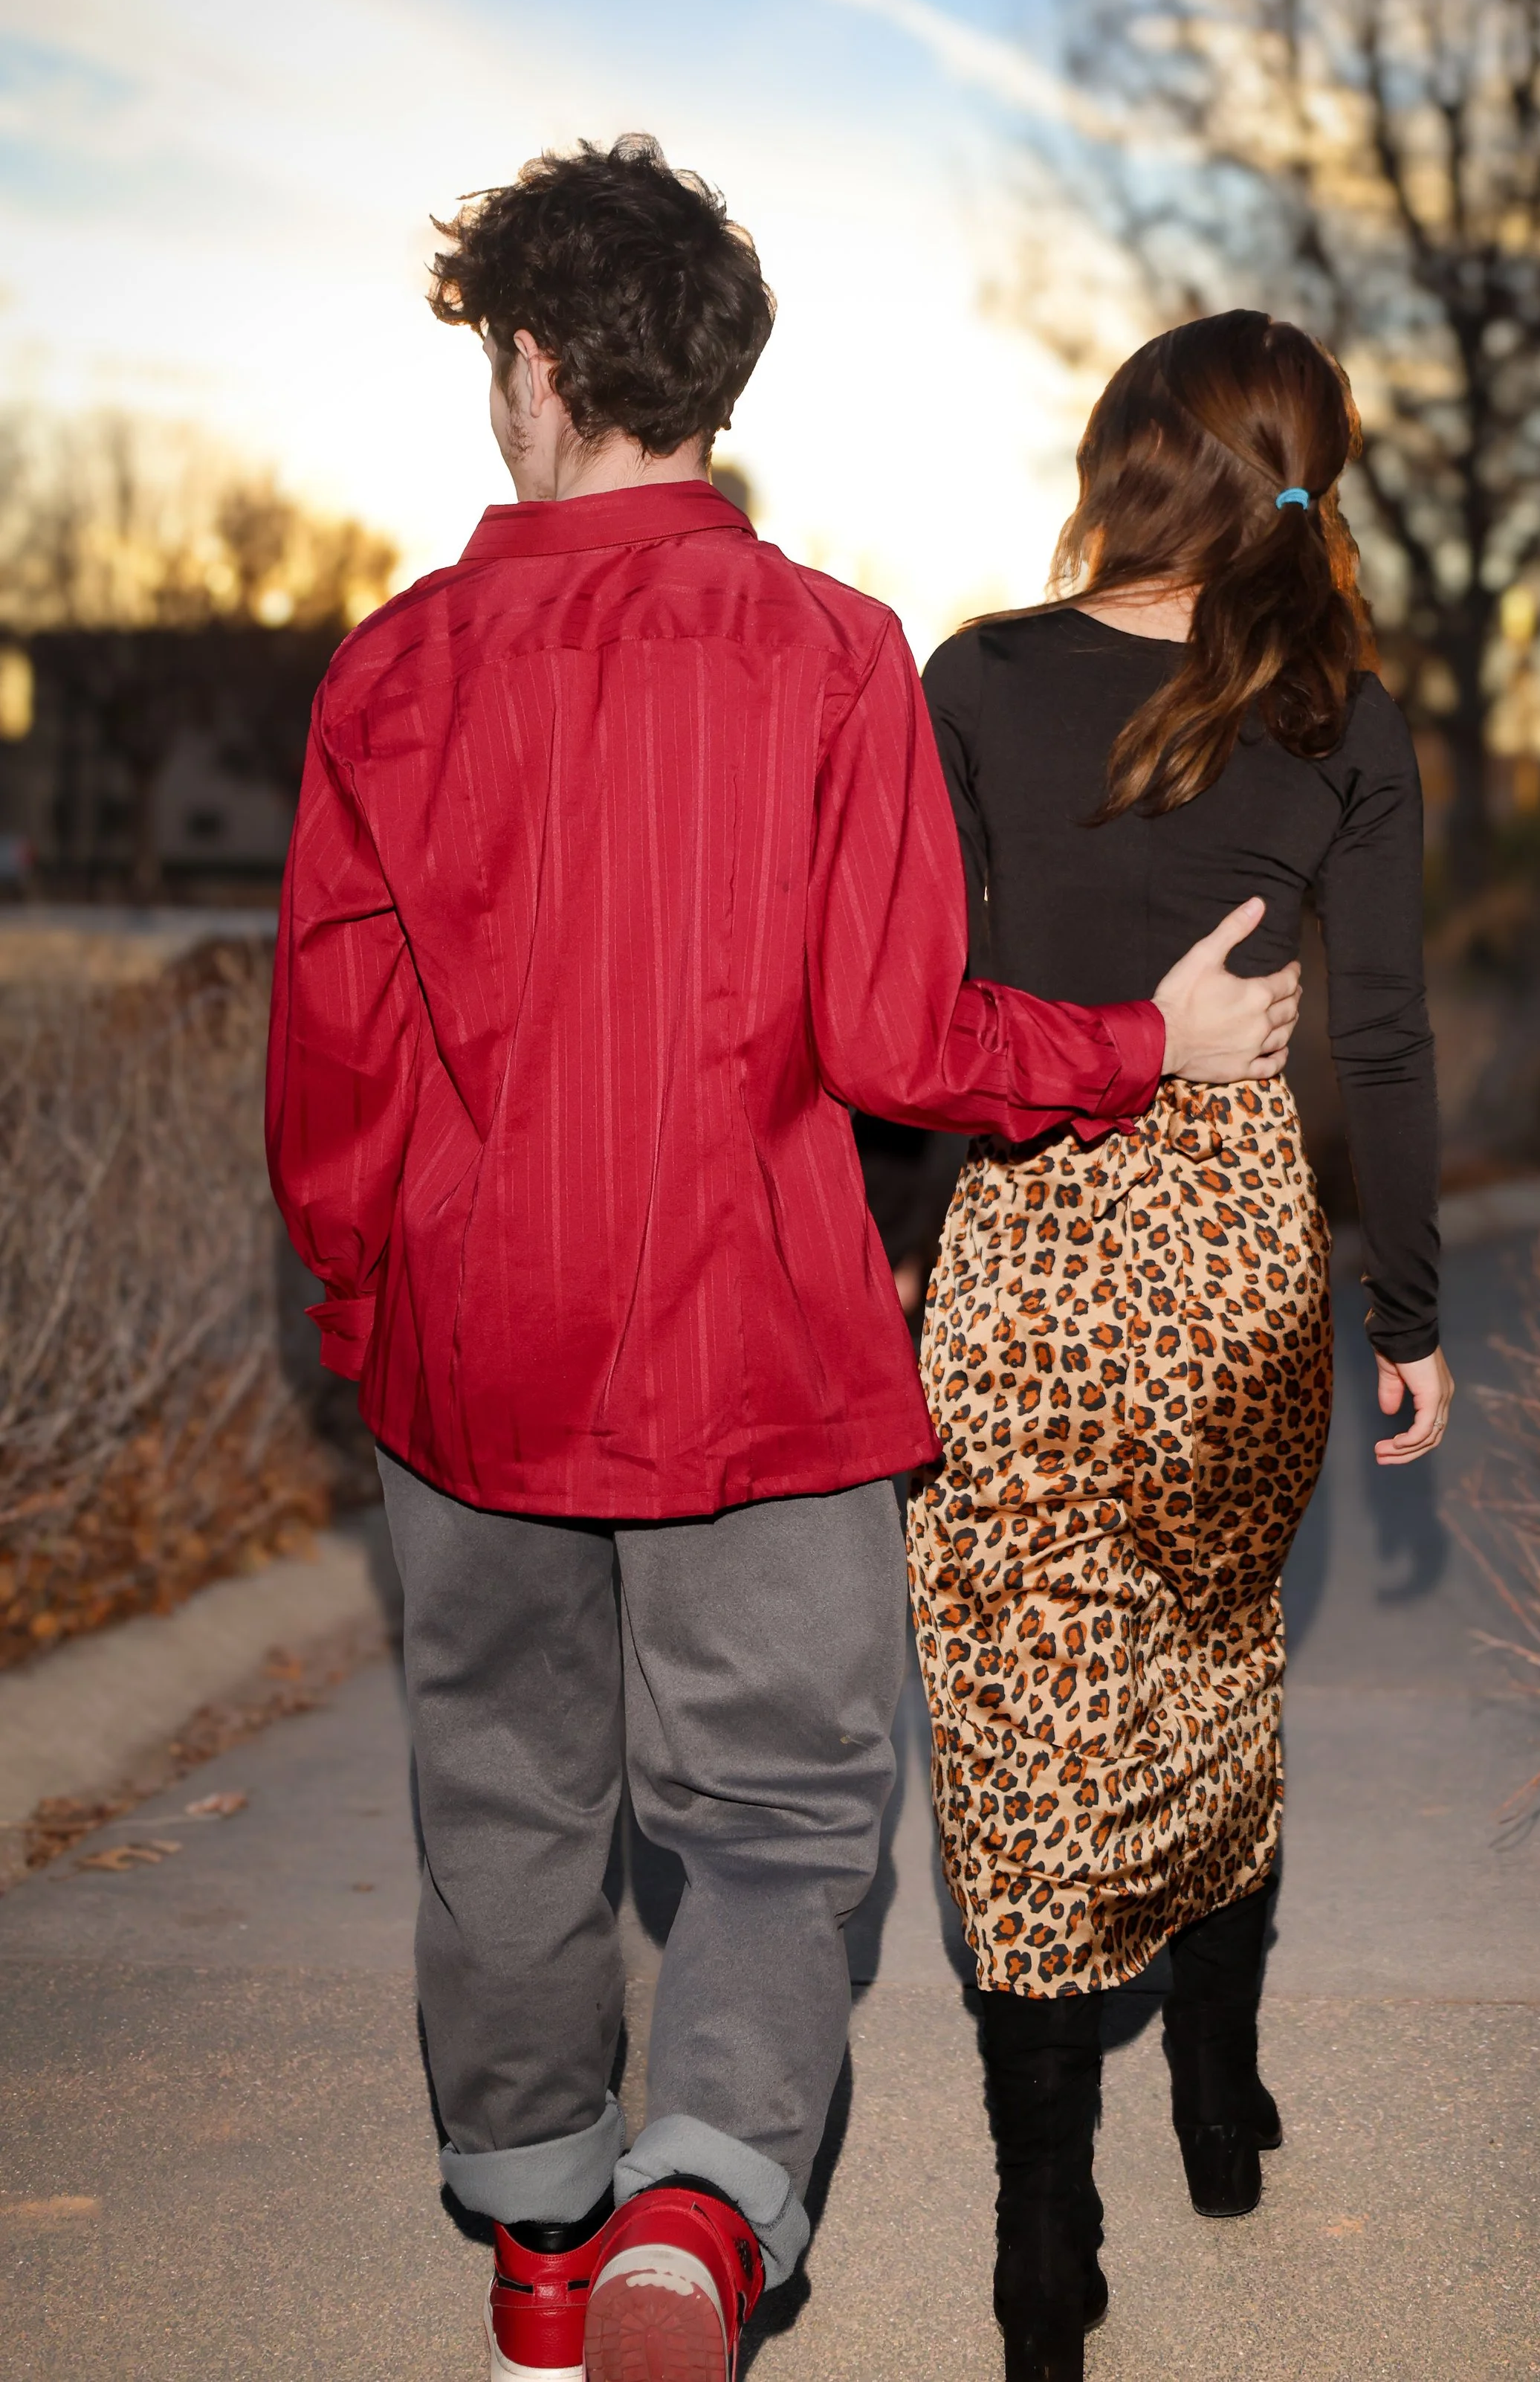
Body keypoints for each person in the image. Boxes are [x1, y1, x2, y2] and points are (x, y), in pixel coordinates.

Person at [264, 138, 1305, 2382]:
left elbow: (337, 1059)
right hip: (759, 1352)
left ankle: (545, 2248)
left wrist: (361, 1315)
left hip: (475, 1361)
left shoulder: (392, 674)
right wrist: (1152, 1039)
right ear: (706, 379)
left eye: (494, 362)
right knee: (773, 1815)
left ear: (536, 363)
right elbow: (896, 1034)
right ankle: (705, 2207)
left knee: (510, 1795)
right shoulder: (834, 652)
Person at [910, 310, 1452, 2382]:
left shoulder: (975, 678)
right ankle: (1215, 2103)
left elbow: (913, 1002)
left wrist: (886, 1262)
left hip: (1028, 1245)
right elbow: (1380, 1043)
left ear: (1126, 451)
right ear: (1299, 482)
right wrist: (1404, 1313)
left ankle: (1045, 2240)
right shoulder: (1345, 720)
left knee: (1023, 1723)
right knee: (1215, 1658)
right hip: (1232, 1259)